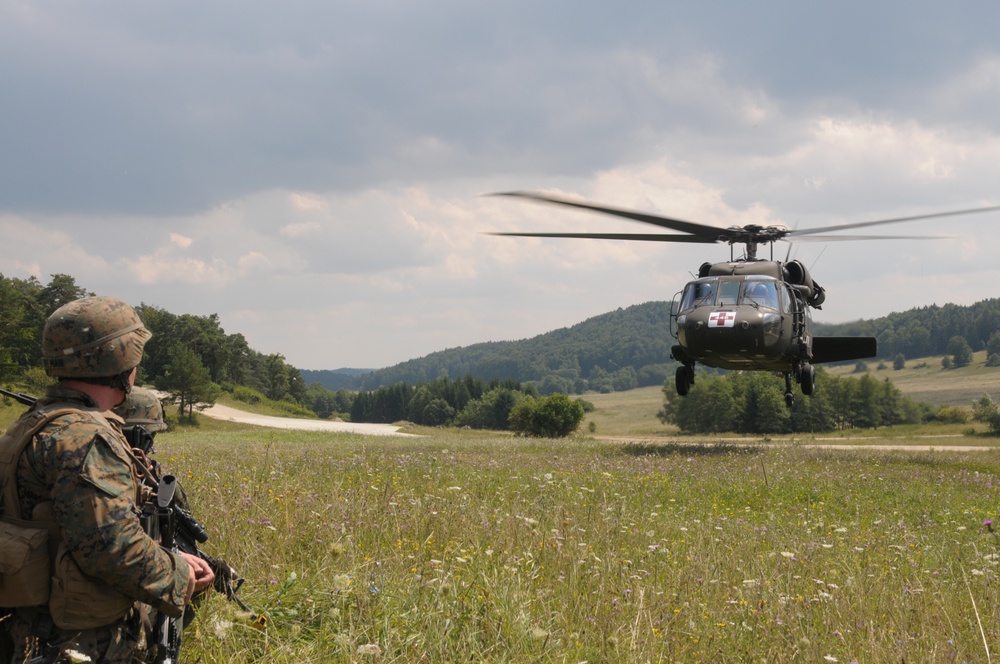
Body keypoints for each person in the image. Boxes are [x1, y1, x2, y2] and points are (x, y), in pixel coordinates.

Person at [0, 296, 214, 663]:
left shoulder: (32, 423)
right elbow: (110, 547)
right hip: (79, 642)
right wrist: (180, 574)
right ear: (122, 360)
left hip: (29, 629)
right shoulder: (87, 437)